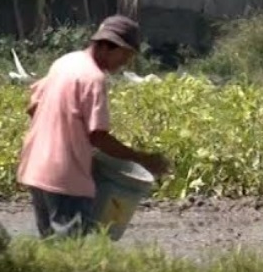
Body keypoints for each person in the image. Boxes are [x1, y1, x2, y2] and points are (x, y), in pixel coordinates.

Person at [17, 15, 169, 240]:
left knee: (50, 247)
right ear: (107, 47)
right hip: (65, 177)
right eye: (125, 55)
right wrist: (142, 159)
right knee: (71, 250)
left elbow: (33, 108)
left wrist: (67, 134)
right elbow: (98, 137)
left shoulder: (65, 62)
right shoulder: (94, 78)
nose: (125, 63)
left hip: (37, 167)